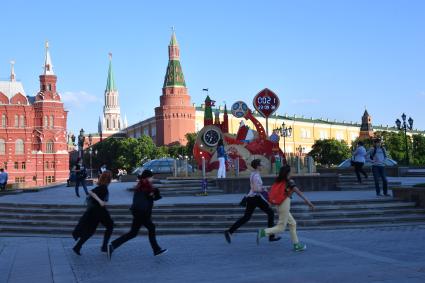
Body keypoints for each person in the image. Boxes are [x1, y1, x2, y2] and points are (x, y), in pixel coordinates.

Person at [107, 170, 167, 259]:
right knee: (151, 228)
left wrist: (154, 194)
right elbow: (151, 197)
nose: (152, 179)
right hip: (142, 213)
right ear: (147, 177)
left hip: (138, 212)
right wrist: (155, 192)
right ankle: (156, 249)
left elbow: (150, 198)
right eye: (151, 177)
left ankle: (112, 245)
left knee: (133, 233)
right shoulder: (146, 185)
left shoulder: (141, 184)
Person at [257, 165, 314, 251]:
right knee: (281, 227)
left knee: (292, 223)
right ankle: (263, 232)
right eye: (291, 171)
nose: (292, 173)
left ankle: (296, 245)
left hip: (279, 204)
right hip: (284, 204)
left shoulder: (278, 181)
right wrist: (309, 202)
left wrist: (271, 202)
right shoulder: (290, 182)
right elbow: (299, 192)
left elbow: (273, 192)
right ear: (287, 173)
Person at [224, 159, 281, 243]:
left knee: (246, 217)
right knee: (270, 213)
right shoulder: (256, 176)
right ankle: (271, 236)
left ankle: (229, 231)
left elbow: (255, 187)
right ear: (257, 166)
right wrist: (264, 189)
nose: (262, 166)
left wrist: (264, 188)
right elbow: (255, 189)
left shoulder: (253, 174)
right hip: (254, 198)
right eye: (261, 164)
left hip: (252, 198)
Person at [72, 171, 114, 255]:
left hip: (95, 211)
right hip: (99, 211)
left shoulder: (103, 186)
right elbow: (91, 192)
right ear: (109, 179)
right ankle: (104, 247)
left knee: (91, 231)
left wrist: (102, 202)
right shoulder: (103, 187)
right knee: (110, 225)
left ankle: (77, 247)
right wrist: (100, 201)